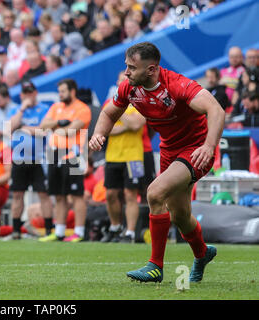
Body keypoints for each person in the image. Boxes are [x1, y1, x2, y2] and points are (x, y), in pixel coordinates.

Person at [89, 42, 225, 283]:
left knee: (154, 193)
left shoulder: (178, 85)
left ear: (151, 69)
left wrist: (209, 146)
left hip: (195, 151)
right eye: (126, 66)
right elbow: (109, 113)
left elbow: (216, 110)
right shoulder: (129, 88)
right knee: (180, 215)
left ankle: (155, 266)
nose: (127, 72)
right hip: (169, 152)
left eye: (132, 67)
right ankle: (202, 253)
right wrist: (100, 133)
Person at [39, 78, 91, 242]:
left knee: (76, 195)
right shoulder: (56, 107)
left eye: (63, 91)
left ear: (72, 91)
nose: (60, 95)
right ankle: (59, 231)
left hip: (73, 156)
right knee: (59, 195)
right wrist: (58, 122)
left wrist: (55, 128)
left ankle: (79, 232)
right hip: (55, 155)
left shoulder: (82, 109)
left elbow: (70, 131)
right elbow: (43, 125)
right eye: (59, 91)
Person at [4, 80, 52, 239]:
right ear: (21, 95)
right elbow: (8, 129)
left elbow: (43, 131)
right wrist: (22, 108)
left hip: (38, 159)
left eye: (30, 92)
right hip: (19, 159)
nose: (28, 95)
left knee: (43, 194)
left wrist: (23, 128)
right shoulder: (16, 110)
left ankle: (48, 231)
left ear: (35, 93)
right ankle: (16, 231)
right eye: (25, 93)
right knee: (17, 195)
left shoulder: (44, 109)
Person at [100, 101, 146, 244]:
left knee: (130, 195)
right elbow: (105, 129)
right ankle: (115, 228)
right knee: (110, 194)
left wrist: (118, 114)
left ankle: (130, 233)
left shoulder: (140, 103)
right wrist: (127, 123)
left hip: (134, 158)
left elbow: (137, 125)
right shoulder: (109, 103)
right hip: (112, 156)